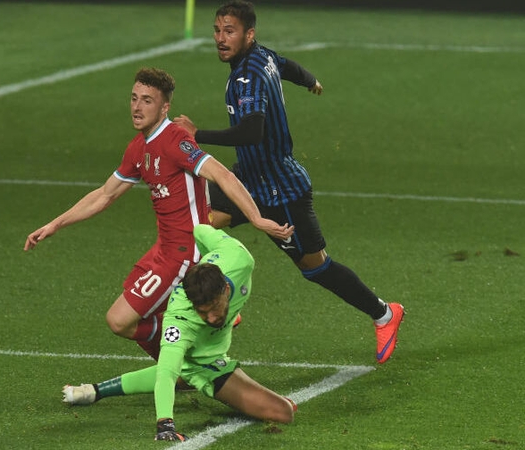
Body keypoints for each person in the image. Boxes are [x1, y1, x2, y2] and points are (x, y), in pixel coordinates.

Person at [172, 0, 404, 364]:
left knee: (316, 268)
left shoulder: (246, 76)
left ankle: (385, 313)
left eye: (229, 31)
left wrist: (196, 133)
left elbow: (252, 131)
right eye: (217, 30)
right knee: (193, 231)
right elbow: (285, 66)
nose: (220, 38)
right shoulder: (260, 56)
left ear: (249, 34)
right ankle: (217, 308)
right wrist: (310, 79)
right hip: (247, 179)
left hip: (281, 191)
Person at [24, 67, 293, 361]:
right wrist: (55, 224)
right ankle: (184, 363)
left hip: (186, 252)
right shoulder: (138, 148)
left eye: (147, 101)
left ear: (165, 107)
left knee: (119, 321)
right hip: (164, 249)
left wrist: (255, 218)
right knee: (132, 310)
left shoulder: (175, 141)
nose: (137, 107)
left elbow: (223, 175)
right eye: (134, 98)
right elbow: (105, 195)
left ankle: (200, 330)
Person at [62, 224, 296, 441]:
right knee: (284, 411)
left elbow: (200, 229)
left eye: (215, 308)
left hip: (209, 345)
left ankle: (94, 391)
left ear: (225, 288)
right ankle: (196, 373)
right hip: (204, 364)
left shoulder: (239, 258)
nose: (211, 317)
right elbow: (166, 371)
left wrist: (198, 262)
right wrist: (165, 423)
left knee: (188, 367)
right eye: (203, 313)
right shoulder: (180, 319)